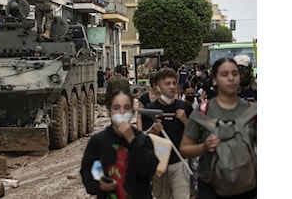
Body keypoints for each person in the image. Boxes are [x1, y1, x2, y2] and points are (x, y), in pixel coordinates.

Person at [180, 58, 256, 198]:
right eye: (224, 74)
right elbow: (184, 149)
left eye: (235, 73)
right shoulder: (203, 111)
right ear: (214, 79)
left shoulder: (252, 111)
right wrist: (203, 147)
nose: (231, 78)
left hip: (247, 186)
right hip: (211, 187)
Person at [80, 76, 159, 198]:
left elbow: (149, 170)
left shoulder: (143, 140)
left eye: (126, 108)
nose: (121, 112)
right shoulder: (98, 141)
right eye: (116, 108)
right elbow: (87, 171)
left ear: (132, 112)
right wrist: (98, 185)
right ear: (109, 112)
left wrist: (132, 140)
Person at [142, 67, 193, 199]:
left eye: (174, 83)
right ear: (157, 86)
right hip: (158, 164)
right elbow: (144, 139)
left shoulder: (185, 107)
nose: (172, 87)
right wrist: (154, 130)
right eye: (167, 84)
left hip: (180, 162)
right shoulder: (150, 109)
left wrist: (185, 121)